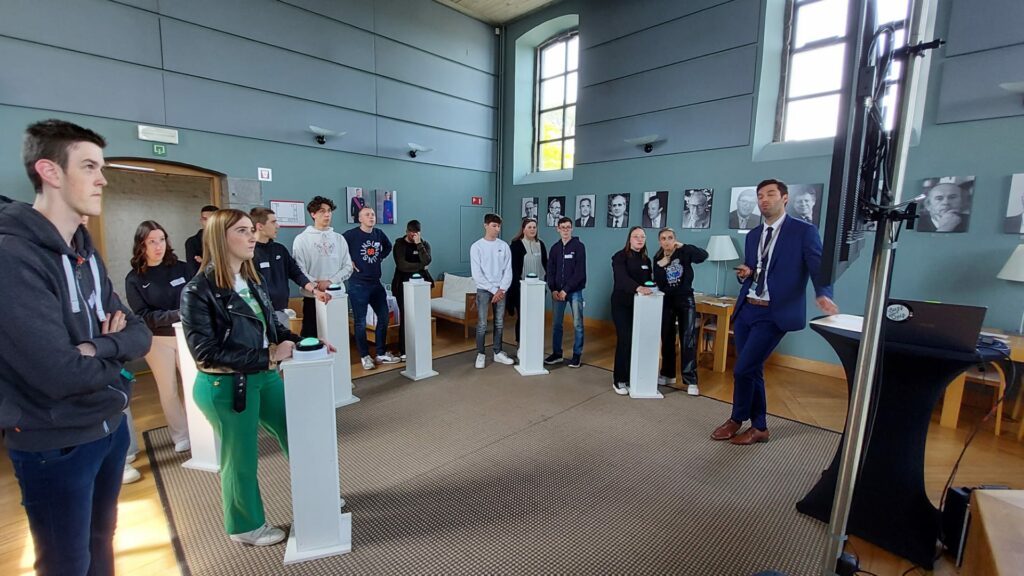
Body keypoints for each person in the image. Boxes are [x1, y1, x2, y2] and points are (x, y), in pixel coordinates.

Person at [0, 119, 152, 575]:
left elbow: (139, 332)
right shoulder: (13, 256)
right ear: (49, 171)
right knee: (67, 563)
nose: (102, 179)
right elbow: (59, 373)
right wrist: (116, 355)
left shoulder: (84, 249)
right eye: (89, 167)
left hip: (110, 428)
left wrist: (97, 348)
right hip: (56, 441)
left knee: (101, 543)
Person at [181, 209, 328, 547]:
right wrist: (269, 355)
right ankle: (245, 526)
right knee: (240, 457)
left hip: (263, 376)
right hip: (226, 386)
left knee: (298, 432)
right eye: (243, 231)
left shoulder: (251, 279)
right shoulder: (198, 290)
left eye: (252, 230)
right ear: (220, 238)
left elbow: (272, 327)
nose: (252, 237)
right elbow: (206, 353)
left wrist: (306, 343)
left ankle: (316, 494)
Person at [712, 179, 838, 445]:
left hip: (774, 313)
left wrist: (824, 293)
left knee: (742, 369)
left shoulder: (804, 231)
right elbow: (754, 268)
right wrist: (746, 273)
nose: (764, 200)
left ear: (784, 198)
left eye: (770, 194)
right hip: (747, 308)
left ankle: (738, 418)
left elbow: (818, 267)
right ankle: (758, 427)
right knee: (752, 368)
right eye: (760, 196)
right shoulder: (753, 235)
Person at [124, 220, 192, 453]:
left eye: (161, 240)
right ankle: (180, 435)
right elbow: (143, 316)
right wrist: (176, 314)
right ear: (141, 245)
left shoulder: (182, 268)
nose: (158, 246)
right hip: (157, 340)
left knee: (193, 384)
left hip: (187, 335)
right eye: (152, 241)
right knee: (168, 389)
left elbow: (195, 297)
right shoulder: (135, 278)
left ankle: (199, 429)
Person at [250, 207, 329, 327]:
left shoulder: (279, 249)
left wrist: (315, 291)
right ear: (260, 226)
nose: (278, 226)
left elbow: (296, 274)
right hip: (259, 313)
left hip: (281, 311)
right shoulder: (249, 253)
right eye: (273, 222)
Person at [653, 228, 708, 395]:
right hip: (667, 300)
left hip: (685, 300)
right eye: (663, 238)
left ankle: (691, 380)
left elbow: (703, 256)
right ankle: (668, 374)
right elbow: (659, 282)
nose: (667, 241)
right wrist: (662, 264)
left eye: (670, 238)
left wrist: (684, 246)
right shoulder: (657, 257)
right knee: (667, 337)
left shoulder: (684, 252)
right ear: (660, 241)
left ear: (675, 239)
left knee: (688, 339)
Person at [344, 206, 400, 370]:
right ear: (360, 219)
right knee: (360, 322)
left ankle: (381, 353)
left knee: (384, 317)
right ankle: (364, 356)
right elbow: (339, 249)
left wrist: (380, 257)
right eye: (367, 215)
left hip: (376, 283)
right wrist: (348, 261)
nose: (371, 217)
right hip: (358, 284)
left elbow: (388, 247)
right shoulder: (351, 235)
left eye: (373, 214)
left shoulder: (378, 234)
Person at [292, 196, 353, 337]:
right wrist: (316, 284)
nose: (327, 214)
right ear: (313, 214)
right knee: (311, 336)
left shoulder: (339, 239)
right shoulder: (301, 239)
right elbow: (299, 269)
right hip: (312, 296)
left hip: (336, 296)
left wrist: (330, 282)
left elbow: (348, 267)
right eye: (322, 211)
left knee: (338, 337)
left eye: (329, 211)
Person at [610, 226, 654, 394]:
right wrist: (638, 288)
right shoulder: (619, 257)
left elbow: (648, 281)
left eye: (642, 236)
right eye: (636, 236)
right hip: (622, 304)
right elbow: (621, 278)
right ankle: (619, 379)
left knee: (638, 341)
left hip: (641, 306)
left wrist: (652, 286)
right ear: (629, 239)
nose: (640, 239)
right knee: (625, 339)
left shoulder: (646, 260)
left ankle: (632, 376)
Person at [470, 213, 515, 369]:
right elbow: (477, 274)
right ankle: (480, 354)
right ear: (485, 226)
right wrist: (494, 290)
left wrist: (502, 289)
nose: (497, 229)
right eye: (494, 226)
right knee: (482, 323)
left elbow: (508, 270)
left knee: (499, 322)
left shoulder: (504, 246)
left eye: (499, 226)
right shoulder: (476, 247)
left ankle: (497, 352)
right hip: (484, 290)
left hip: (501, 290)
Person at [545, 217, 587, 368]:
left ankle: (576, 355)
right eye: (562, 227)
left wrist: (566, 290)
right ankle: (557, 354)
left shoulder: (579, 247)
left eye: (568, 227)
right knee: (557, 324)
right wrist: (553, 289)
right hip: (557, 293)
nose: (565, 230)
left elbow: (579, 272)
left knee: (577, 324)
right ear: (558, 229)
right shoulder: (555, 248)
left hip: (574, 291)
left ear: (572, 229)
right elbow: (550, 271)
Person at [391, 219, 433, 360]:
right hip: (402, 285)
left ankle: (421, 347)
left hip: (421, 285)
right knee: (406, 316)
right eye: (411, 232)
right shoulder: (399, 245)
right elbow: (403, 265)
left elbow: (427, 260)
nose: (413, 235)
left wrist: (419, 244)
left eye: (416, 233)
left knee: (422, 316)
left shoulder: (424, 244)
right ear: (407, 231)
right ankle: (404, 349)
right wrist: (421, 266)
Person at [508, 218, 547, 345]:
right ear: (523, 229)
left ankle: (534, 343)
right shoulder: (516, 245)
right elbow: (513, 269)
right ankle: (521, 343)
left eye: (534, 227)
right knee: (523, 317)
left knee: (536, 317)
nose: (532, 229)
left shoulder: (540, 244)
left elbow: (545, 264)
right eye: (529, 227)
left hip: (538, 288)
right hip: (522, 288)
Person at [184, 204, 219, 276]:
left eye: (212, 219)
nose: (208, 222)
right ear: (201, 220)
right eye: (205, 219)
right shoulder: (192, 242)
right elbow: (194, 272)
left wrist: (205, 263)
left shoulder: (228, 239)